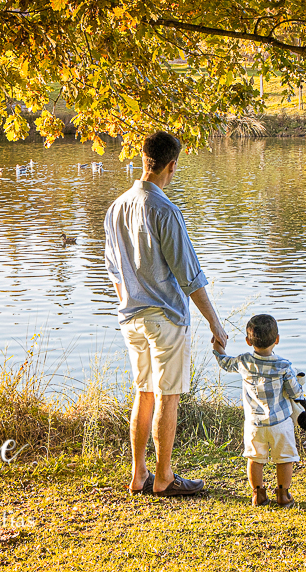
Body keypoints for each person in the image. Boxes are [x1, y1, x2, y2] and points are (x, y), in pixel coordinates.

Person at [104, 131, 228, 497]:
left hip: (131, 317)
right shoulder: (164, 210)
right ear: (171, 165)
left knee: (143, 393)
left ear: (144, 159)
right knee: (167, 396)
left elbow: (113, 271)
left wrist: (130, 300)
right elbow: (189, 275)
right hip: (165, 318)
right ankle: (163, 478)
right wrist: (215, 323)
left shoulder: (116, 207)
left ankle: (138, 474)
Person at [212, 314, 302, 508]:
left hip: (253, 424)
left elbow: (223, 361)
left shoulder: (243, 362)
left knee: (255, 458)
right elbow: (294, 392)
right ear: (277, 339)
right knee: (284, 458)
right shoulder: (283, 366)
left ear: (248, 340)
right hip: (280, 423)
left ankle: (258, 495)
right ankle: (283, 495)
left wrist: (217, 344)